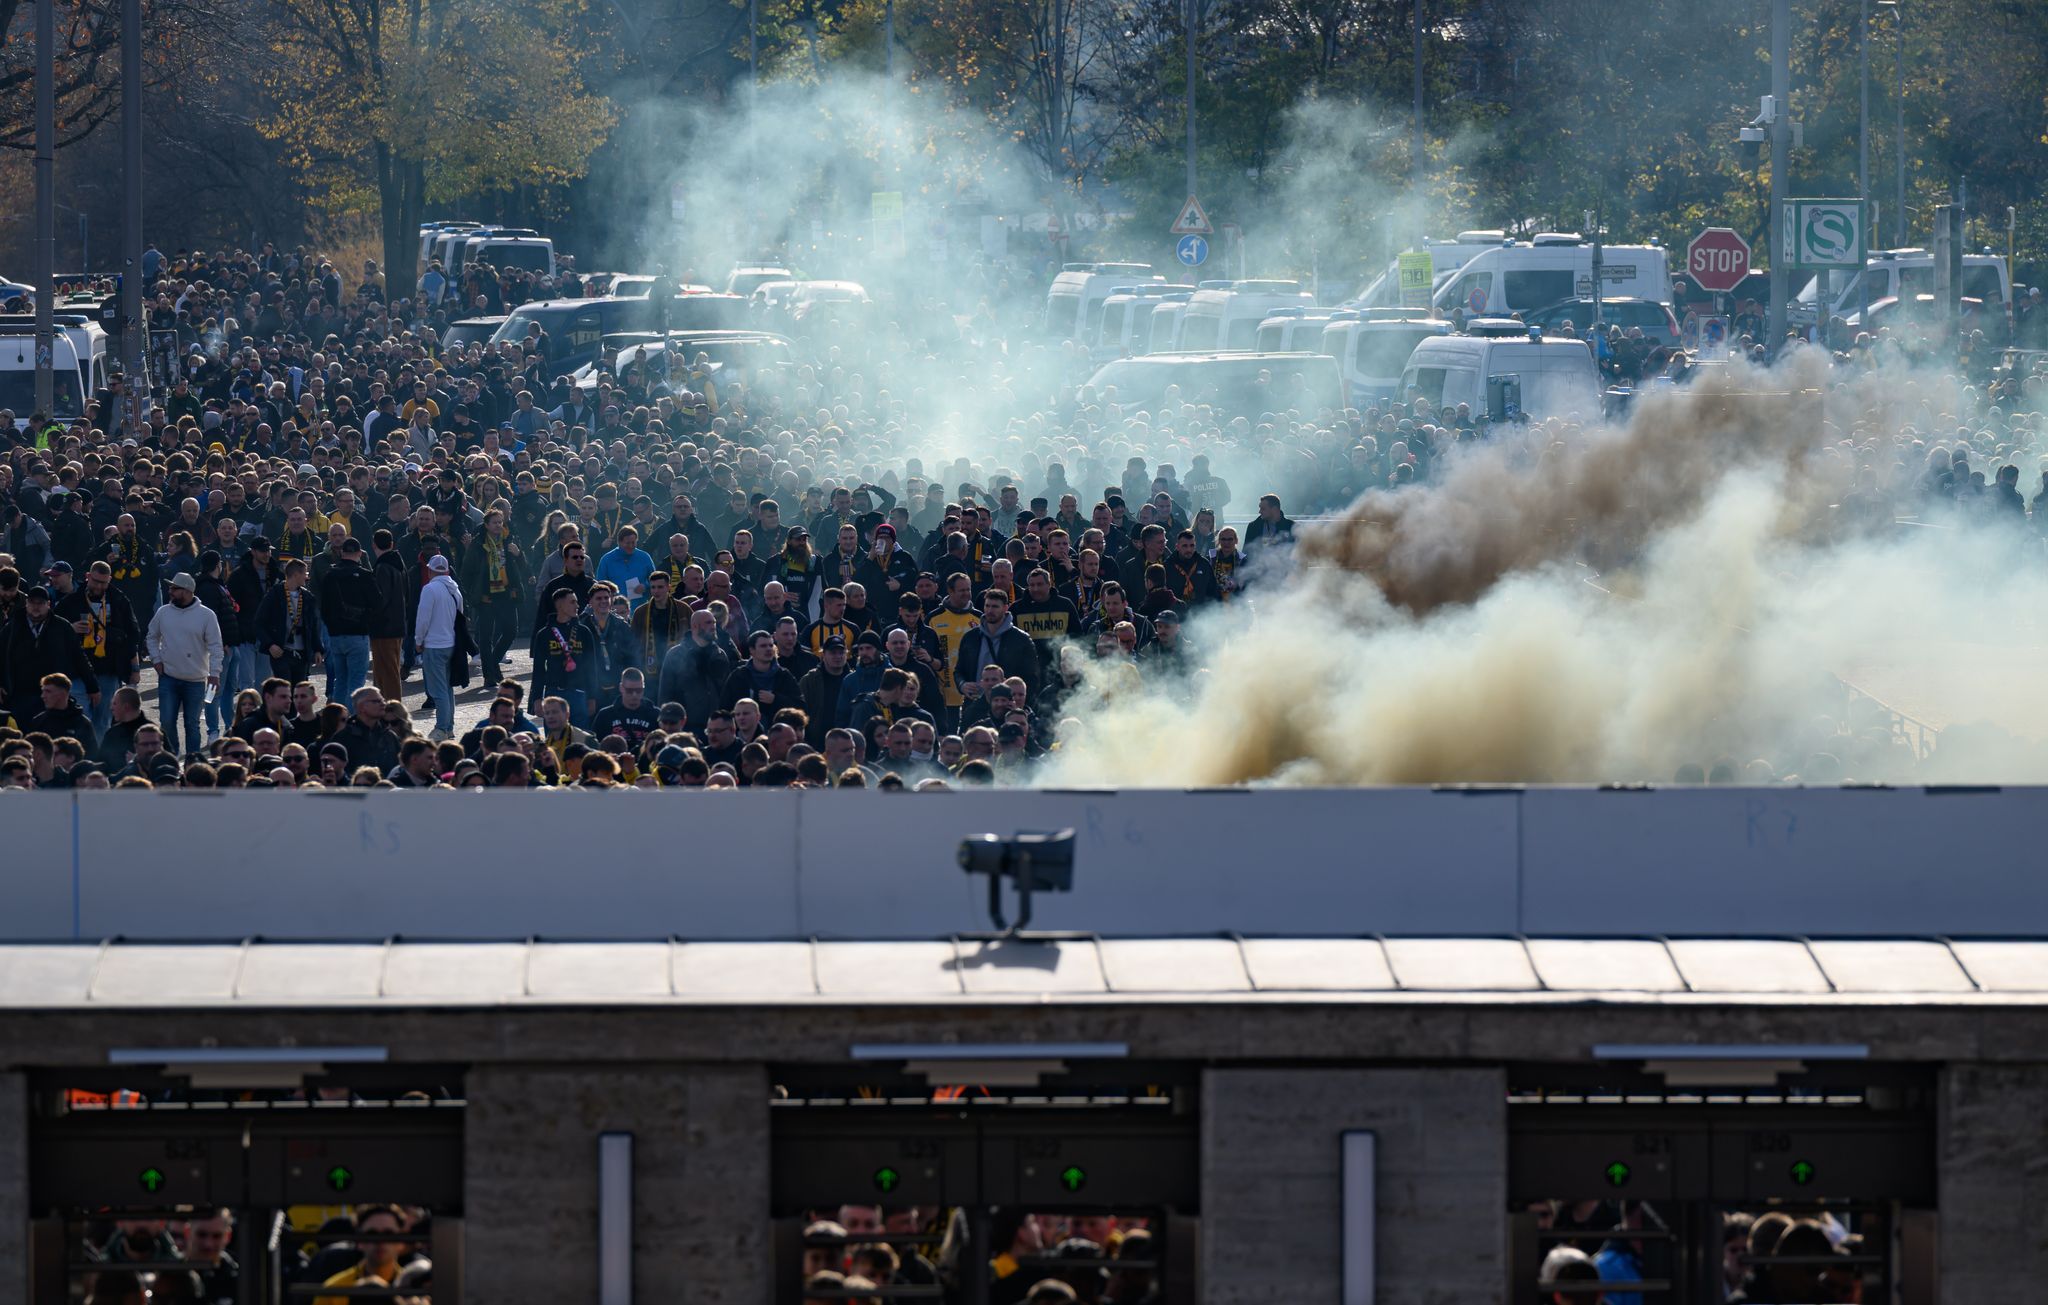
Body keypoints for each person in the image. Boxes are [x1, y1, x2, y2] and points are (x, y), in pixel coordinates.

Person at [144, 573, 223, 755]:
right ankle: (172, 758)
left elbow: (216, 647)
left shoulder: (206, 615)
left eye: (174, 588)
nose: (170, 591)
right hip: (168, 677)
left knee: (192, 724)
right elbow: (152, 636)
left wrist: (214, 674)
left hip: (195, 680)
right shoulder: (163, 612)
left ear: (187, 591)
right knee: (166, 722)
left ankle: (192, 762)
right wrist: (156, 659)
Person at [414, 553, 464, 739]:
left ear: (430, 570)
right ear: (447, 570)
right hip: (451, 643)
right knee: (447, 688)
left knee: (438, 690)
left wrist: (418, 641)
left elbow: (423, 619)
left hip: (434, 645)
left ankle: (442, 727)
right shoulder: (454, 589)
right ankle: (448, 726)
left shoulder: (430, 589)